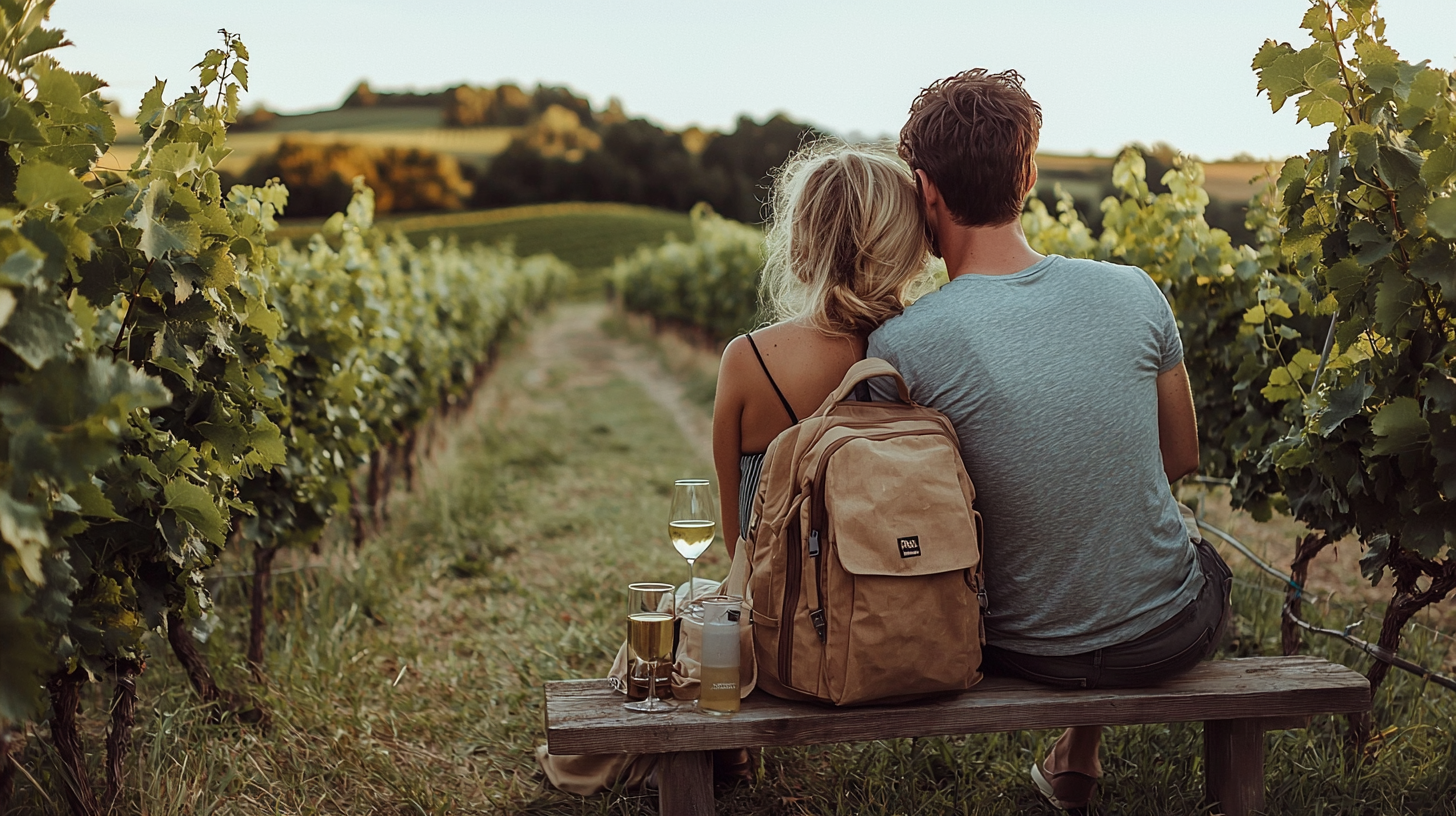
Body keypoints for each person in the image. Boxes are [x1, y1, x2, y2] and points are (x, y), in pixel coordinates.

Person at [867, 69, 1232, 811]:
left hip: (1015, 647)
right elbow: (1182, 456)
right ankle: (1077, 755)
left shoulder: (900, 345)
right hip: (1168, 633)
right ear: (1028, 177)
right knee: (1191, 559)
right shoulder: (1135, 291)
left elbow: (904, 517)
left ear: (925, 190)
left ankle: (1076, 756)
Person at [713, 140, 933, 553]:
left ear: (800, 245)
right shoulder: (930, 353)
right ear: (910, 249)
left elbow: (737, 544)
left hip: (774, 595)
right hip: (906, 592)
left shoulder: (748, 359)